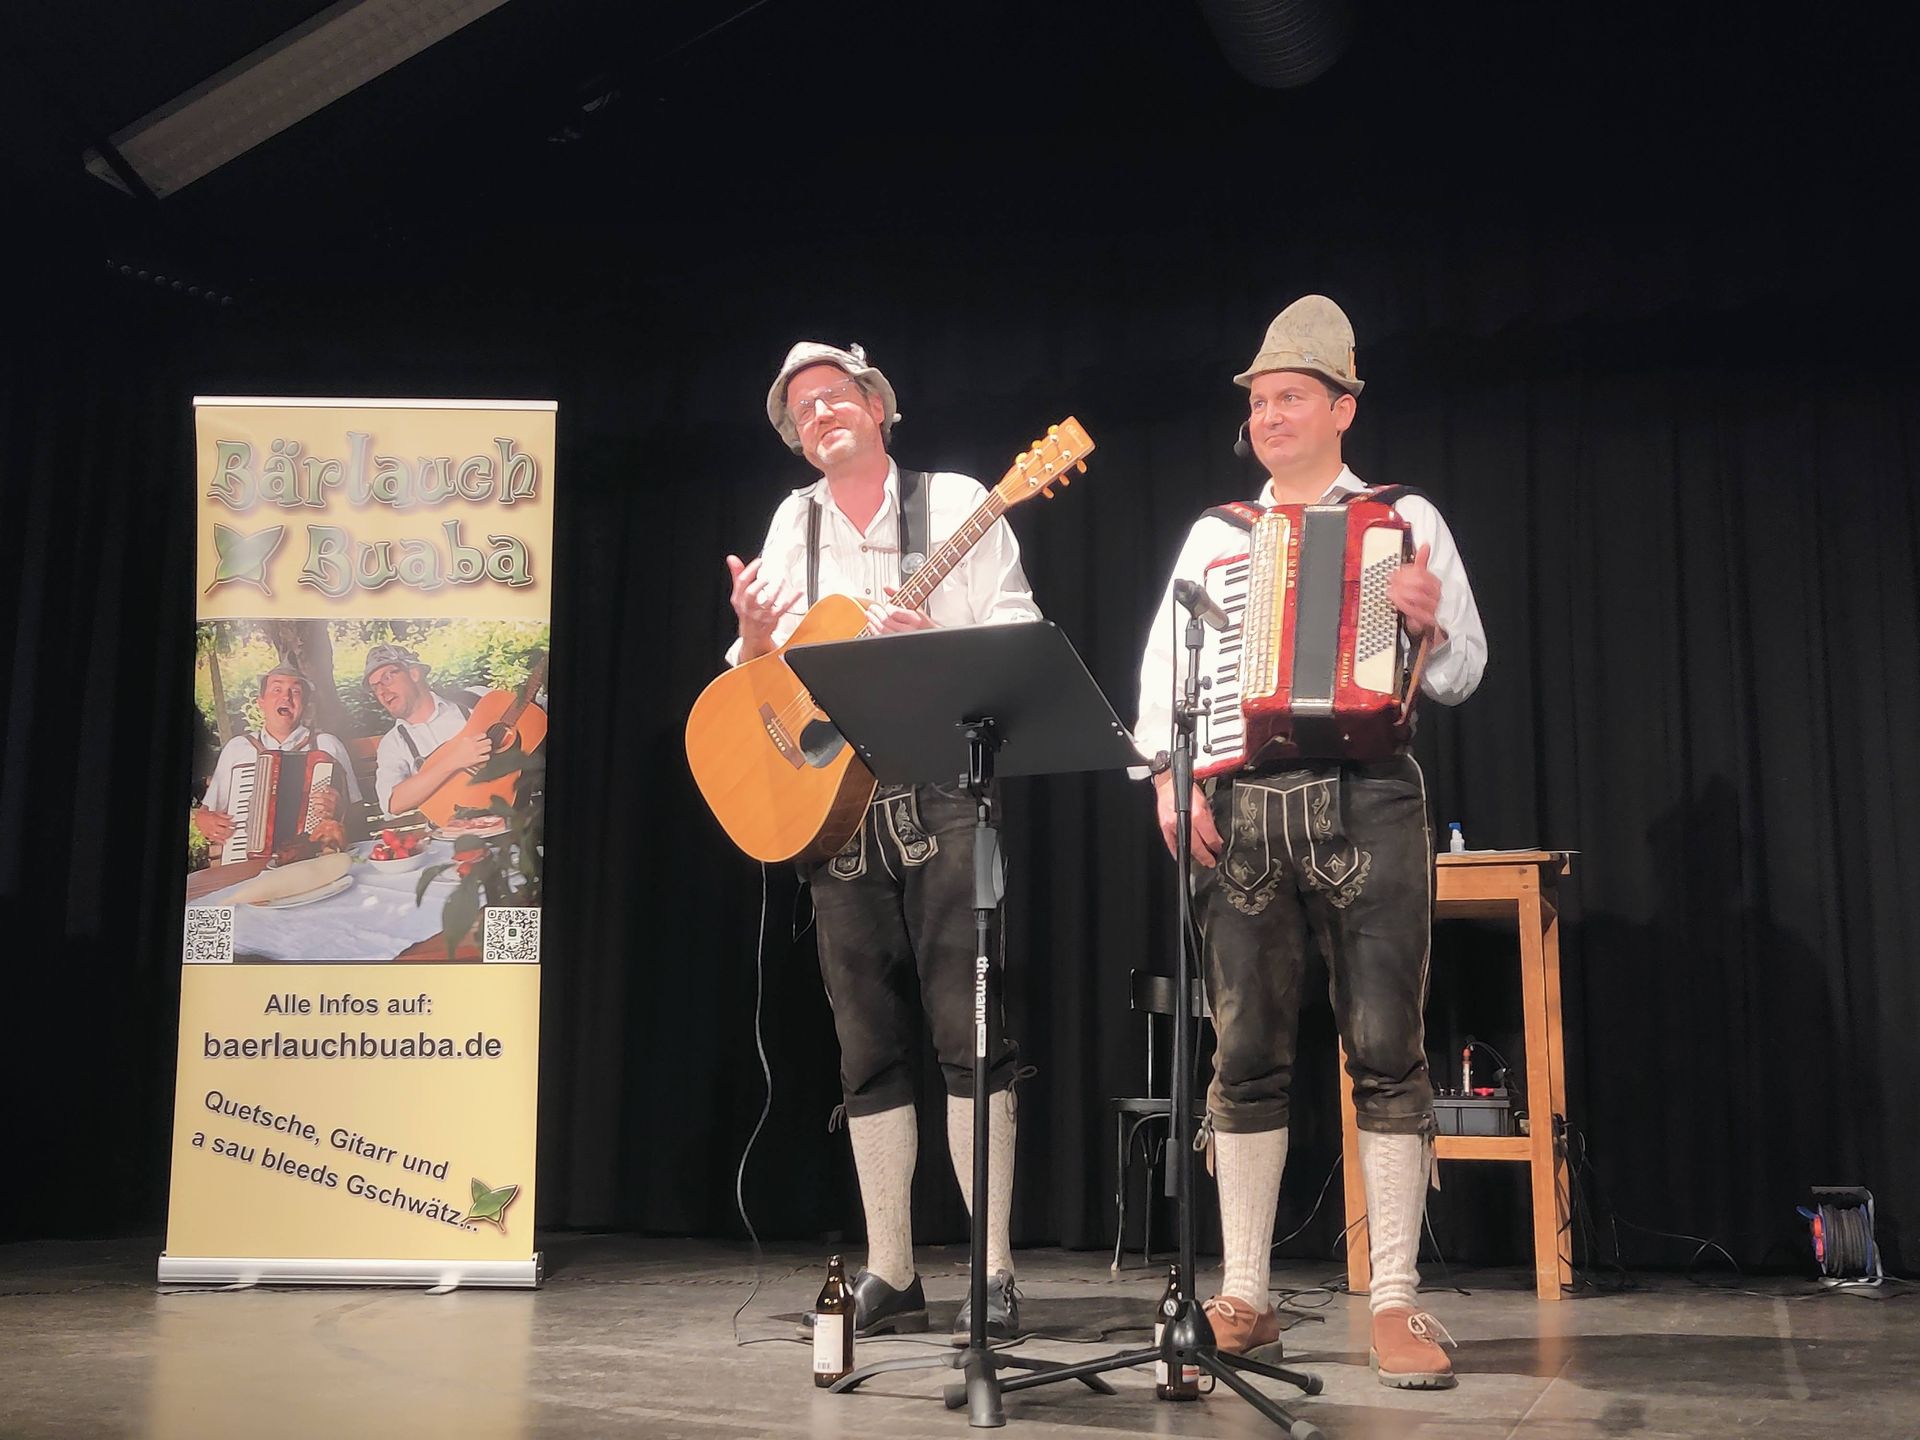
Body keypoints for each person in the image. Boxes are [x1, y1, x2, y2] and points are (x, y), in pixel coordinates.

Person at [1134, 296, 1487, 1388]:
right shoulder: (1217, 536)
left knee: (1386, 1047)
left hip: (1369, 797)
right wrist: (1168, 777)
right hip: (1242, 805)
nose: (1269, 416)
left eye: (1290, 397)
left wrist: (1426, 625)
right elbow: (1166, 674)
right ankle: (1244, 1294)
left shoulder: (1404, 519)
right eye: (1258, 402)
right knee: (1244, 1054)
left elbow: (1465, 669)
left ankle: (1396, 1301)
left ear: (1343, 407)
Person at [725, 341, 1040, 1339]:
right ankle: (893, 1272)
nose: (820, 413)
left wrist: (933, 645)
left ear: (876, 404)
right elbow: (767, 674)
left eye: (834, 396)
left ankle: (992, 1272)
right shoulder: (795, 521)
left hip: (944, 789)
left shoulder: (957, 503)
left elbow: (1018, 631)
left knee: (970, 1036)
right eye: (802, 409)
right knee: (864, 1048)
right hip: (837, 803)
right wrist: (753, 637)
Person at [193, 665, 360, 858]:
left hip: (312, 861)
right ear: (261, 702)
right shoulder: (237, 748)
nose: (286, 697)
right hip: (247, 861)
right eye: (277, 689)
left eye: (295, 691)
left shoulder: (327, 745)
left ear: (305, 704)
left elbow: (357, 812)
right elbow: (207, 812)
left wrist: (340, 811)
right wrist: (203, 819)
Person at [365, 644, 489, 816]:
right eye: (375, 687)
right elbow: (392, 802)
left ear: (414, 674)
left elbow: (527, 714)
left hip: (510, 815)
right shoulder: (393, 743)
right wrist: (454, 760)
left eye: (387, 678)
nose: (381, 692)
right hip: (449, 829)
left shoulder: (475, 699)